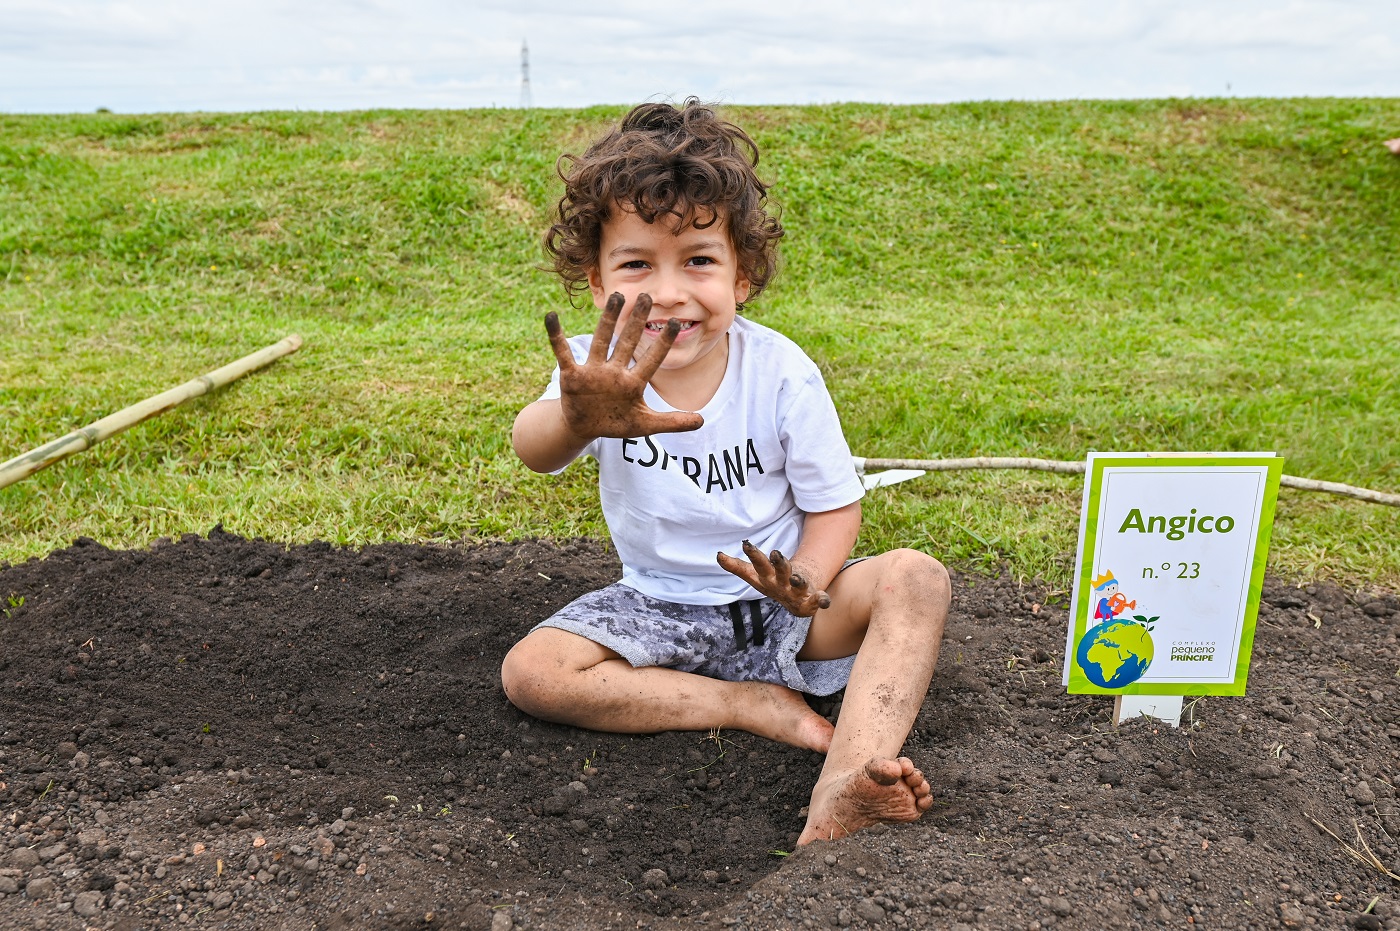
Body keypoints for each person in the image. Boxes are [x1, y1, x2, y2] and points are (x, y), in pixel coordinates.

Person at [502, 99, 950, 845]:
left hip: (782, 607)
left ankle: (848, 781)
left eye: (699, 261)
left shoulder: (780, 373)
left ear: (743, 275)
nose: (669, 291)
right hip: (657, 607)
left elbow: (835, 507)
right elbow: (533, 448)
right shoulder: (596, 372)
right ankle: (742, 703)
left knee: (918, 578)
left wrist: (806, 578)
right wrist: (577, 418)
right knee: (533, 673)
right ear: (596, 282)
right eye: (637, 264)